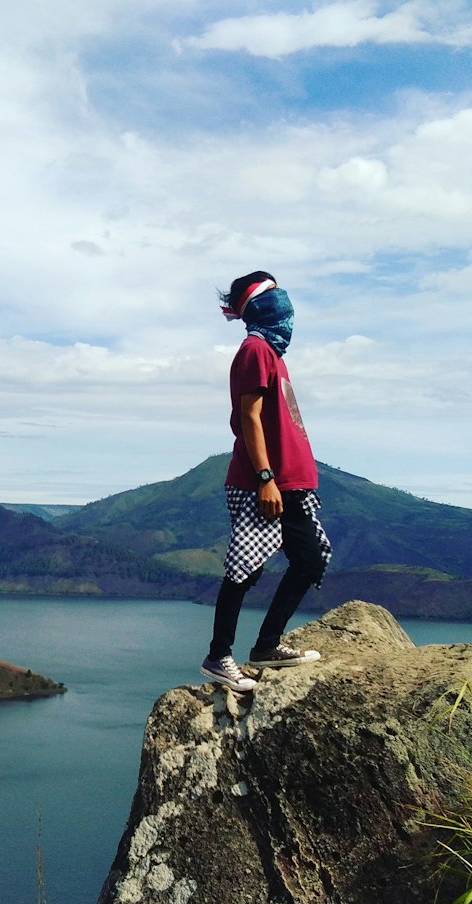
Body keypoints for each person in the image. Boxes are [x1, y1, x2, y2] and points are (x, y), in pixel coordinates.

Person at [200, 270, 333, 693]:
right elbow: (249, 419)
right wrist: (265, 478)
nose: (285, 303)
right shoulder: (255, 350)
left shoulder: (274, 355)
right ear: (258, 305)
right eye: (275, 294)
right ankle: (219, 656)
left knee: (309, 559)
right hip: (265, 481)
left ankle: (266, 646)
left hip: (291, 482)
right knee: (245, 568)